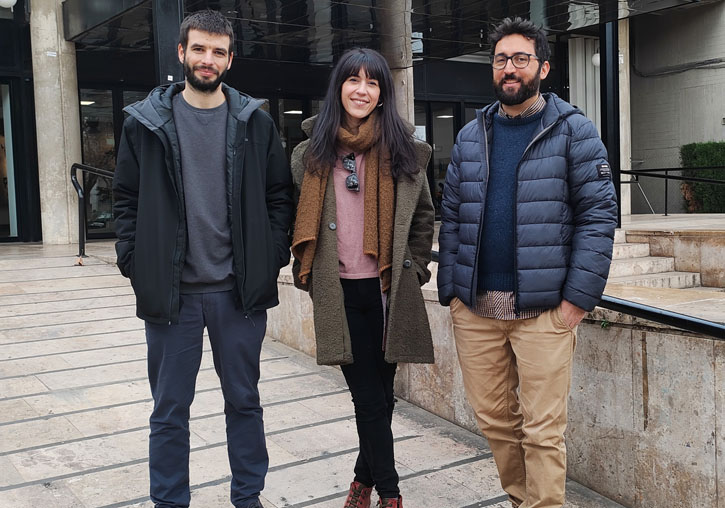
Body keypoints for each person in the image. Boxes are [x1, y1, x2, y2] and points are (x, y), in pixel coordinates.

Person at [113, 10, 293, 508]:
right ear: (181, 53)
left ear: (230, 59)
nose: (207, 59)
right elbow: (125, 199)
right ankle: (170, 500)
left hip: (238, 294)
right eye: (199, 49)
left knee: (244, 401)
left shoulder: (254, 121)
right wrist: (134, 260)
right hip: (172, 297)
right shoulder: (144, 123)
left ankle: (248, 495)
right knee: (169, 410)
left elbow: (280, 196)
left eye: (218, 51)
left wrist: (269, 256)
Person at [437, 17, 618, 508]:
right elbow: (451, 212)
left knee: (542, 431)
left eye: (520, 58)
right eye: (501, 59)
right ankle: (523, 499)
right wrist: (451, 291)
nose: (510, 68)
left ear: (543, 66)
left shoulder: (574, 130)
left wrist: (576, 301)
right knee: (495, 421)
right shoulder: (472, 135)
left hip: (544, 311)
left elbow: (599, 217)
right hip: (475, 310)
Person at [290, 48, 435, 508]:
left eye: (371, 82)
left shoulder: (403, 153)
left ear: (381, 94)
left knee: (382, 397)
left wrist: (415, 267)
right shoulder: (310, 155)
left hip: (388, 291)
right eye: (352, 80)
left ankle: (361, 480)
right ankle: (391, 495)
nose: (361, 89)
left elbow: (423, 217)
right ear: (339, 89)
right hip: (339, 291)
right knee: (368, 399)